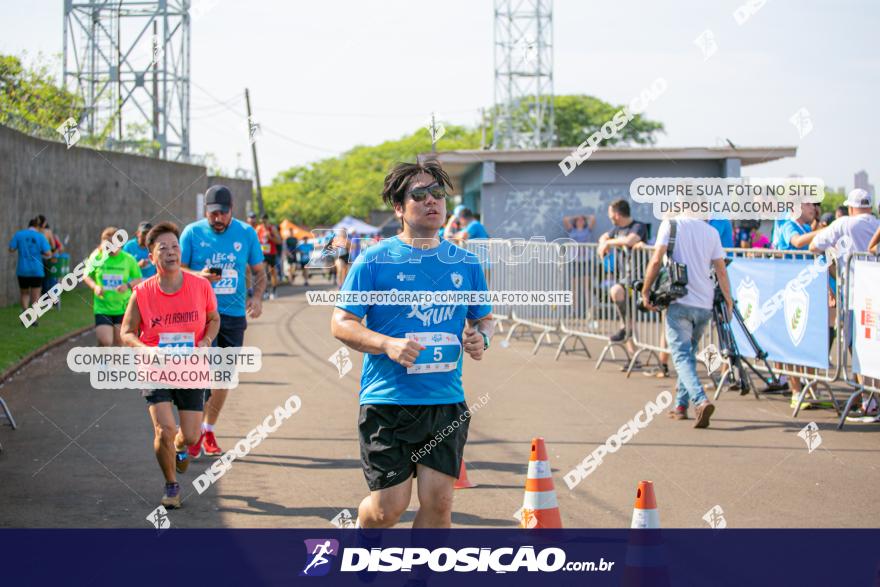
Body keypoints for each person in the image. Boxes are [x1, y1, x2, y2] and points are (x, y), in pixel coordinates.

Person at [331, 160, 493, 529]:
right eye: (419, 195)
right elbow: (341, 323)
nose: (432, 201)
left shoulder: (465, 262)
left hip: (445, 401)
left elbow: (484, 318)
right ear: (399, 208)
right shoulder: (373, 260)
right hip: (388, 401)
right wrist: (387, 344)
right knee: (389, 509)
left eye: (438, 193)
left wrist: (480, 338)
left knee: (440, 503)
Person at [121, 222, 220, 509]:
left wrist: (206, 341)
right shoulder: (142, 293)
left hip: (191, 368)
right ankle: (171, 485)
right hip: (155, 369)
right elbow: (126, 332)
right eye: (162, 248)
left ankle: (180, 447)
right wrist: (146, 350)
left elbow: (214, 319)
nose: (171, 252)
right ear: (151, 257)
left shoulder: (200, 286)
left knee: (189, 435)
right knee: (163, 429)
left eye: (175, 246)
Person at [180, 185, 265, 459]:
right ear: (206, 211)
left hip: (233, 315)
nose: (218, 218)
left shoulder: (247, 233)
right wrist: (198, 275)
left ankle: (208, 429)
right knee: (201, 375)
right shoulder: (192, 233)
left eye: (223, 213)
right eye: (213, 213)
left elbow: (259, 271)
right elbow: (177, 269)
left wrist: (258, 297)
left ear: (232, 211)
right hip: (200, 315)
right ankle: (192, 432)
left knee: (223, 377)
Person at [640, 217, 732, 428]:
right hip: (704, 303)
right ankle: (681, 406)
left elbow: (656, 260)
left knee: (681, 356)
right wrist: (728, 299)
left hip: (679, 300)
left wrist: (646, 291)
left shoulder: (671, 225)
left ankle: (700, 400)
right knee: (688, 355)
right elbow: (721, 268)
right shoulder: (711, 232)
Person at [597, 200, 648, 347]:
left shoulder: (638, 226)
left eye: (610, 213)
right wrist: (603, 243)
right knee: (626, 318)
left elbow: (631, 240)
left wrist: (609, 243)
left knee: (616, 291)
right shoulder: (616, 229)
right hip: (624, 277)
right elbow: (603, 237)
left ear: (617, 214)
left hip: (637, 279)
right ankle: (633, 359)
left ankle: (627, 327)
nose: (609, 217)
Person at [82, 227, 143, 346]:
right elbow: (86, 275)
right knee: (106, 341)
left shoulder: (128, 259)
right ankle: (103, 361)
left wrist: (127, 285)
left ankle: (115, 364)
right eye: (107, 245)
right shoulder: (97, 257)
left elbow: (138, 278)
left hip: (123, 307)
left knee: (120, 342)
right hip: (103, 307)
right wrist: (95, 287)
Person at [9, 218, 52, 324]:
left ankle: (25, 312)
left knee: (24, 293)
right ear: (37, 227)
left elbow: (11, 249)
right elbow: (48, 253)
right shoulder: (40, 237)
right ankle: (33, 319)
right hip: (37, 270)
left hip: (22, 269)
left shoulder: (19, 234)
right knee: (36, 296)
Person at [256, 214, 282, 300]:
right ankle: (265, 291)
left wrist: (270, 237)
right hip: (262, 253)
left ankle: (274, 290)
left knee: (273, 272)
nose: (263, 223)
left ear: (267, 220)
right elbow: (254, 241)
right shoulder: (258, 229)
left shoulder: (272, 228)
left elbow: (279, 241)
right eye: (261, 221)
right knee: (263, 272)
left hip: (272, 253)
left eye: (264, 221)